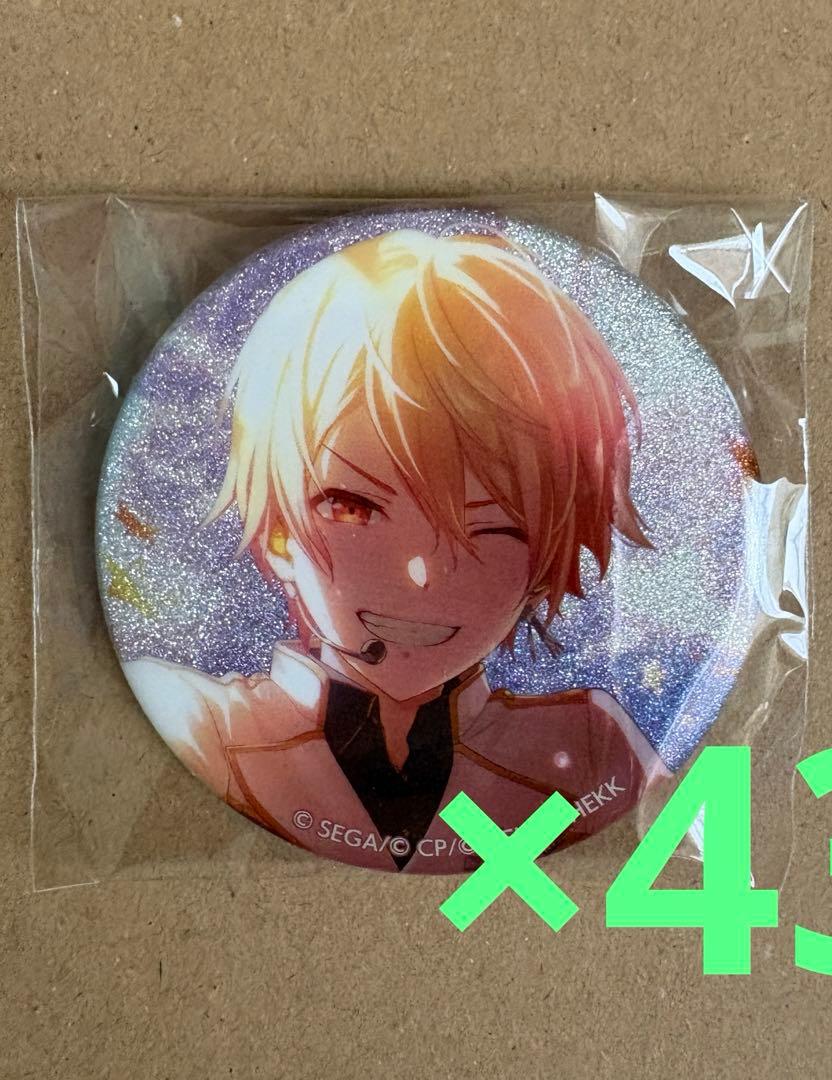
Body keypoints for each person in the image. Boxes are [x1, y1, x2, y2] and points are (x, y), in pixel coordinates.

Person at [125, 228, 665, 873]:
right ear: (276, 530)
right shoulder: (201, 726)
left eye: (495, 529)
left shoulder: (591, 754)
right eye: (352, 508)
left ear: (544, 561)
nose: (421, 574)